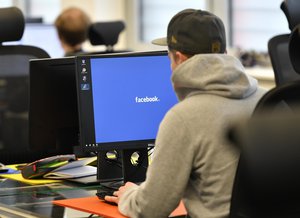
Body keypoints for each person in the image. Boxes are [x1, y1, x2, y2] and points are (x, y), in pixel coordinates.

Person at [105, 9, 266, 217]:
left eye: (169, 58)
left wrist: (129, 195)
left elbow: (151, 208)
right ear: (225, 55)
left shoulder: (183, 118)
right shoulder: (269, 100)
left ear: (179, 59)